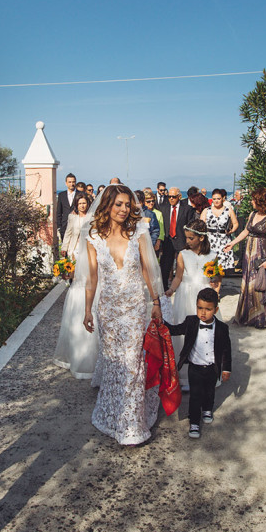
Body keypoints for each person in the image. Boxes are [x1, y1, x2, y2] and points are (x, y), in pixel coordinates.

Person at [82, 185, 165, 445]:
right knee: (114, 362)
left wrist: (156, 301)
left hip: (134, 308)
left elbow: (148, 271)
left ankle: (132, 424)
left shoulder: (139, 232)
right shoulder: (93, 237)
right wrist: (87, 309)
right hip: (108, 311)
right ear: (107, 205)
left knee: (133, 363)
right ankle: (113, 415)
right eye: (118, 204)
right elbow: (92, 278)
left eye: (127, 204)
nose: (124, 209)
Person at [165, 287, 232, 439]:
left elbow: (226, 350)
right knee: (195, 395)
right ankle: (194, 422)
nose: (203, 313)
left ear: (216, 310)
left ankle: (207, 409)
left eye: (208, 309)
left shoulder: (222, 328)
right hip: (194, 367)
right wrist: (162, 323)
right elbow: (175, 330)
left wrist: (226, 369)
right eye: (199, 308)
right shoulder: (191, 321)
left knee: (210, 391)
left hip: (211, 368)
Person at [164, 219, 217, 391]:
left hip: (203, 294)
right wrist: (171, 290)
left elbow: (215, 278)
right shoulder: (182, 254)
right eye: (186, 238)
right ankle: (185, 376)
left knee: (204, 333)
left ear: (201, 238)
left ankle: (205, 373)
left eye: (191, 238)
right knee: (185, 332)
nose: (187, 241)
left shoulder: (212, 256)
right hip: (186, 295)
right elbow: (178, 277)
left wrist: (216, 290)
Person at [55, 191, 99, 380]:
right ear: (77, 205)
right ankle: (72, 351)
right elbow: (68, 233)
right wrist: (65, 250)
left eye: (84, 202)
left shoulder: (93, 218)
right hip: (75, 253)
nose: (82, 205)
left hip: (90, 255)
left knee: (89, 285)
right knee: (76, 287)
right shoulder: (72, 217)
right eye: (79, 203)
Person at [224, 186, 266, 328]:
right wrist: (232, 243)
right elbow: (245, 232)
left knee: (259, 285)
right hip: (249, 254)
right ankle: (247, 315)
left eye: (254, 200)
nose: (251, 202)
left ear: (261, 201)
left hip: (261, 255)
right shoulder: (252, 214)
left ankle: (260, 317)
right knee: (247, 284)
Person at [158, 186, 194, 289]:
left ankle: (182, 288)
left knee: (182, 268)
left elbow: (190, 226)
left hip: (182, 242)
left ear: (179, 196)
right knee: (165, 267)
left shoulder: (187, 209)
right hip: (167, 242)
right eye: (169, 197)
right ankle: (164, 289)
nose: (171, 199)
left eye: (173, 197)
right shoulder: (163, 208)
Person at [200, 188, 239, 271]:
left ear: (223, 199)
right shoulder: (206, 210)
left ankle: (219, 283)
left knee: (221, 268)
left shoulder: (228, 210)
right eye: (214, 199)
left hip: (223, 240)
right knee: (208, 266)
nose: (216, 201)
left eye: (218, 199)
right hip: (210, 240)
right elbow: (201, 225)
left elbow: (236, 223)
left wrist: (231, 231)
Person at [55, 173, 77, 240]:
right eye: (69, 182)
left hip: (77, 226)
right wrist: (59, 227)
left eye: (73, 182)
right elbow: (59, 211)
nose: (71, 184)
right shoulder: (62, 195)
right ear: (66, 183)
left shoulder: (81, 194)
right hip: (64, 227)